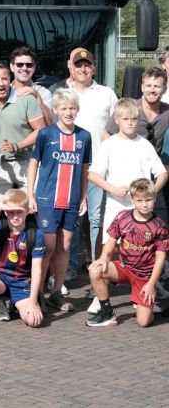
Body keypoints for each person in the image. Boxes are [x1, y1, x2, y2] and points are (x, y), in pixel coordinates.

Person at [26, 88, 91, 313]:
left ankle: (57, 291)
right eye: (63, 108)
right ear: (55, 110)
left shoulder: (84, 136)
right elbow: (33, 163)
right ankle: (38, 292)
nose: (68, 112)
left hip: (71, 201)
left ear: (78, 109)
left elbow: (85, 170)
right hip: (47, 199)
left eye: (72, 108)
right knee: (48, 246)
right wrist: (30, 195)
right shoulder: (46, 133)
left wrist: (83, 197)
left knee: (65, 246)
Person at [86, 178, 168, 328]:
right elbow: (111, 241)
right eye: (140, 200)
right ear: (132, 200)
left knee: (143, 322)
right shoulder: (122, 217)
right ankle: (107, 313)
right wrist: (103, 258)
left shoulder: (160, 226)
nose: (144, 204)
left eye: (148, 200)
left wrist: (151, 284)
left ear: (155, 198)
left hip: (144, 276)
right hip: (124, 267)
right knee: (95, 269)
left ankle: (147, 304)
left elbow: (160, 258)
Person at [88, 99, 167, 250]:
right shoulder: (108, 145)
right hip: (115, 206)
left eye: (134, 119)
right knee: (113, 251)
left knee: (140, 249)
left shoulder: (145, 145)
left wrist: (151, 192)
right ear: (116, 120)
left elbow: (162, 173)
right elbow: (93, 174)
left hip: (141, 209)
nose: (130, 123)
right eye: (126, 119)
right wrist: (113, 189)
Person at [65, 47, 118, 263]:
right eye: (78, 65)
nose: (83, 69)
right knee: (72, 217)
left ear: (93, 68)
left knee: (97, 218)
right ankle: (70, 266)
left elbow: (117, 125)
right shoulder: (65, 93)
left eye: (87, 65)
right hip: (70, 164)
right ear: (71, 68)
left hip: (98, 165)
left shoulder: (107, 93)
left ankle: (96, 263)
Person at [0, 189, 46, 327]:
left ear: (27, 211)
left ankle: (17, 304)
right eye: (10, 212)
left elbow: (37, 270)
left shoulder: (35, 234)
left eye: (19, 212)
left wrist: (32, 302)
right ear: (5, 212)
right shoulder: (1, 226)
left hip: (21, 283)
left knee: (34, 321)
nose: (15, 217)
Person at [0, 62, 45, 195]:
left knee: (30, 205)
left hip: (26, 164)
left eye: (4, 79)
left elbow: (41, 130)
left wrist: (17, 146)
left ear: (10, 79)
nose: (1, 84)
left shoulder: (26, 99)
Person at [9, 47, 53, 126]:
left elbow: (50, 123)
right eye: (19, 65)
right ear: (12, 67)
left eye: (29, 65)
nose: (24, 68)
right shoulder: (4, 91)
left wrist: (37, 97)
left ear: (34, 67)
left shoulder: (43, 93)